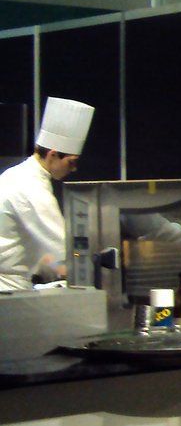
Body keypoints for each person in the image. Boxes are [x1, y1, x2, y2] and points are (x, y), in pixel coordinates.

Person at [0, 97, 93, 291]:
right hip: (8, 289)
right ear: (52, 155)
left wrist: (56, 268)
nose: (74, 169)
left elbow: (48, 257)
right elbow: (65, 249)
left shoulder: (18, 175)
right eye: (71, 162)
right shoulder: (30, 188)